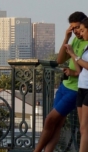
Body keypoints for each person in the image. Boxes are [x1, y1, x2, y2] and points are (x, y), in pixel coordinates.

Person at [33, 11, 88, 152]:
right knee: (57, 124)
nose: (76, 31)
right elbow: (59, 60)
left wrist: (73, 71)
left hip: (76, 89)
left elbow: (81, 70)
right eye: (73, 28)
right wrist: (66, 38)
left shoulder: (86, 43)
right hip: (64, 86)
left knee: (50, 120)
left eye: (78, 28)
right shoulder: (75, 39)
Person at [64, 18, 88, 151]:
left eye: (83, 30)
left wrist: (75, 55)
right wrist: (71, 53)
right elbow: (80, 69)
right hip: (82, 88)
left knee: (85, 128)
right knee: (82, 127)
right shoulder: (85, 47)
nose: (81, 33)